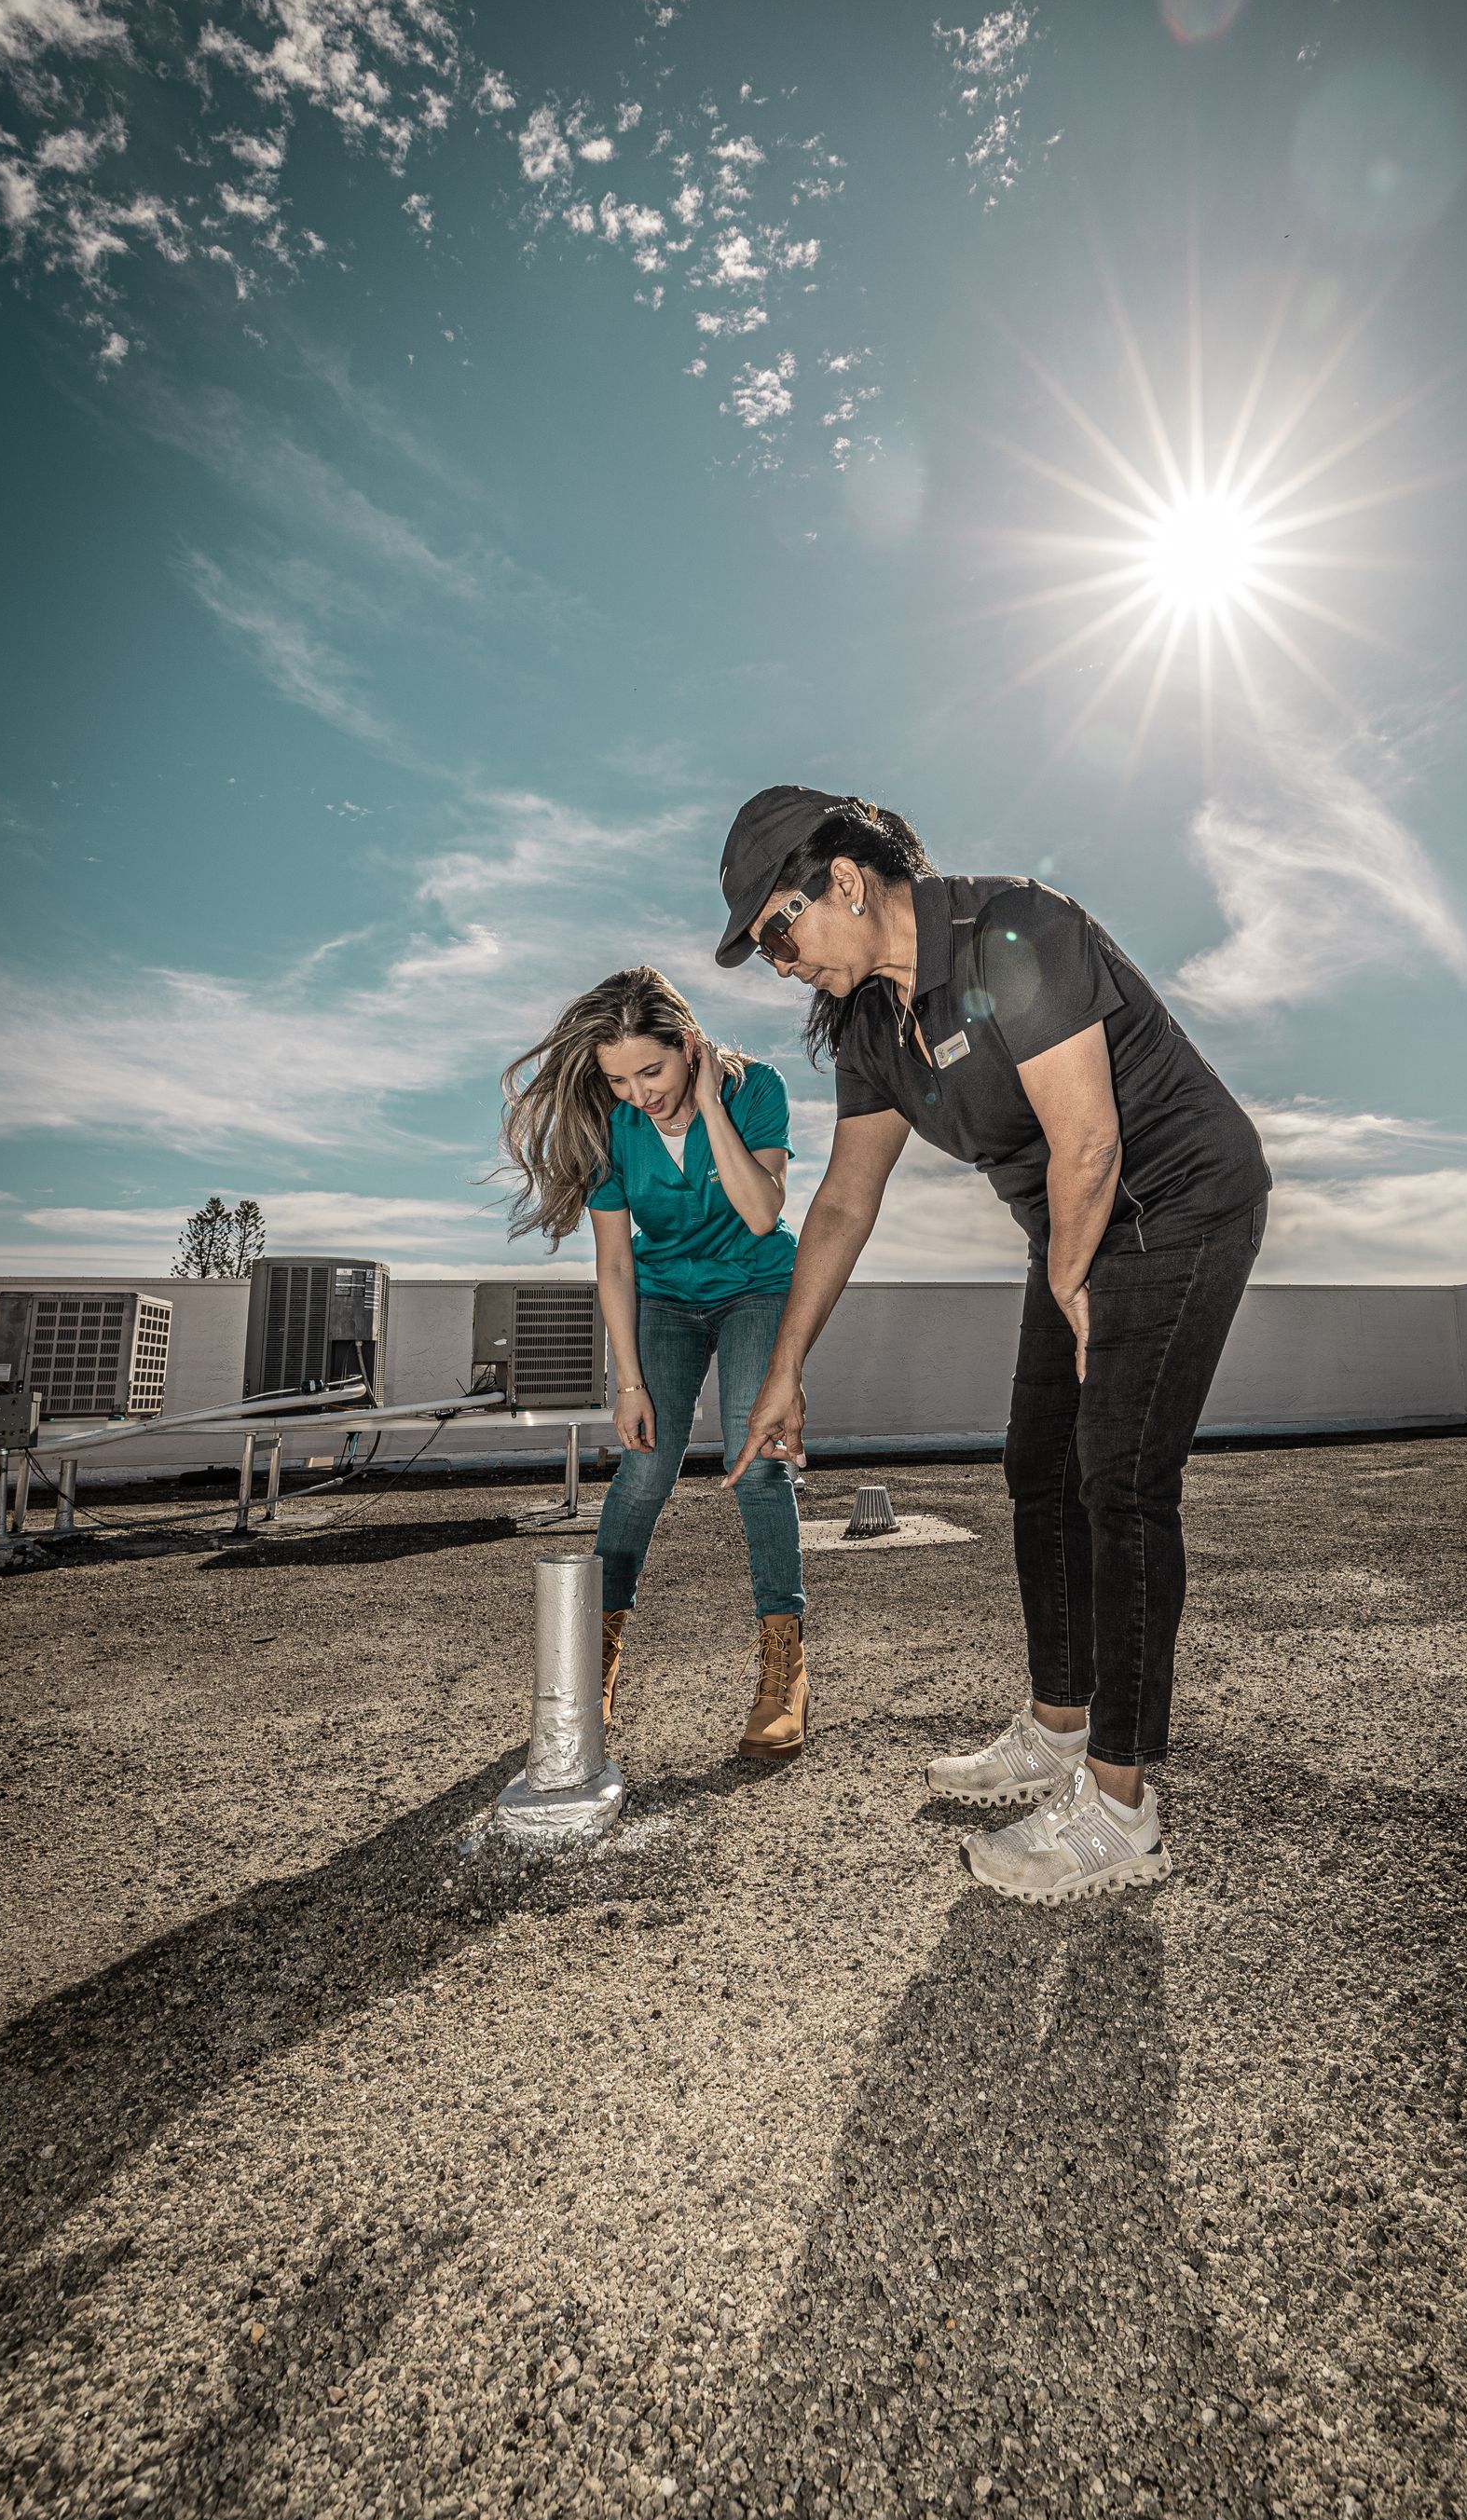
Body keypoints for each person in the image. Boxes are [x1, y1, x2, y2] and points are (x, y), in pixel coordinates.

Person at [714, 788, 1269, 1899]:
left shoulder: (1015, 929)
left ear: (844, 880)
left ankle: (1119, 1808)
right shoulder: (872, 1024)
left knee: (1120, 1483)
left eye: (778, 928)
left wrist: (1070, 1278)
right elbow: (841, 1204)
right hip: (1079, 1222)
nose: (778, 961)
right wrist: (785, 1373)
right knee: (1036, 1471)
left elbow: (1092, 1137)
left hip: (1179, 1202)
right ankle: (1059, 1729)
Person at [500, 965, 809, 1759]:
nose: (641, 1093)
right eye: (618, 1079)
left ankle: (783, 1668)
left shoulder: (756, 1089)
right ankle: (592, 1659)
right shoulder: (613, 1127)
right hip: (665, 1300)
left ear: (689, 1046)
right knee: (643, 1469)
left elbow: (763, 1210)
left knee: (759, 1462)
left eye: (654, 1070)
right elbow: (613, 1265)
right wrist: (628, 1382)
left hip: (757, 1289)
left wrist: (708, 1105)